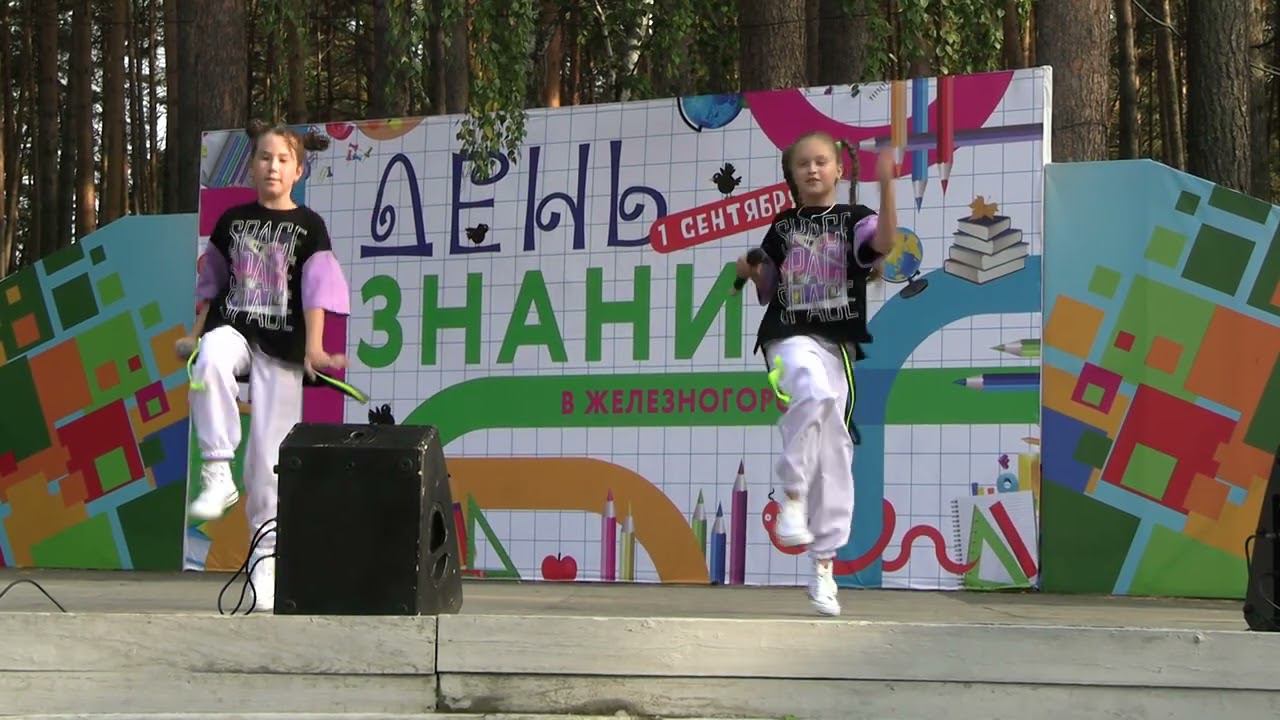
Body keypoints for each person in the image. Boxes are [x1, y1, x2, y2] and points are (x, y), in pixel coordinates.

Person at [179, 120, 350, 612]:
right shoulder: (232, 222)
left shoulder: (310, 226)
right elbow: (211, 285)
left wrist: (314, 348)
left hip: (283, 347)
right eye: (264, 157)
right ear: (251, 167)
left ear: (298, 171)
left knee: (268, 461)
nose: (272, 166)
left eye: (282, 159)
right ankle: (217, 469)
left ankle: (266, 561)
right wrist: (195, 335)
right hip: (234, 329)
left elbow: (316, 291)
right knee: (209, 361)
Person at [736, 131, 897, 616]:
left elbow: (884, 242)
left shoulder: (854, 219)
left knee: (835, 455)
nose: (812, 169)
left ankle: (823, 568)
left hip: (836, 346)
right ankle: (791, 497)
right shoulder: (783, 227)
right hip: (787, 336)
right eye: (803, 163)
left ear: (838, 170)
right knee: (809, 388)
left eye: (821, 161)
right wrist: (749, 270)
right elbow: (767, 284)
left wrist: (888, 186)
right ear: (792, 175)